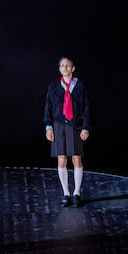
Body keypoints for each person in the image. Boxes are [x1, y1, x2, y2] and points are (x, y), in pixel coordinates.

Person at [44, 56, 91, 207]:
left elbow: (86, 108)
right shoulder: (53, 87)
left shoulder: (80, 86)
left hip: (75, 125)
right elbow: (48, 109)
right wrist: (48, 127)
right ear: (59, 69)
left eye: (67, 65)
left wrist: (85, 127)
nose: (64, 68)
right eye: (62, 66)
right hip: (59, 126)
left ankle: (76, 192)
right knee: (61, 158)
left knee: (76, 158)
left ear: (73, 68)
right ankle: (66, 193)